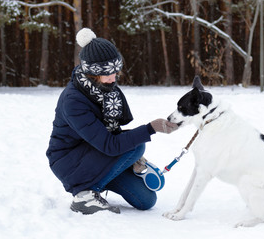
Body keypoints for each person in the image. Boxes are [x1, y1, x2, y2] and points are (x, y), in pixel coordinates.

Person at [46, 28, 178, 215]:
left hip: (95, 154)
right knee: (135, 146)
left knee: (146, 200)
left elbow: (110, 136)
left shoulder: (105, 89)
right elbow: (110, 145)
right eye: (108, 73)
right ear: (93, 73)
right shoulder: (73, 101)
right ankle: (85, 195)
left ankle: (117, 168)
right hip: (69, 160)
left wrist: (125, 159)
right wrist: (150, 128)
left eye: (116, 72)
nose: (113, 78)